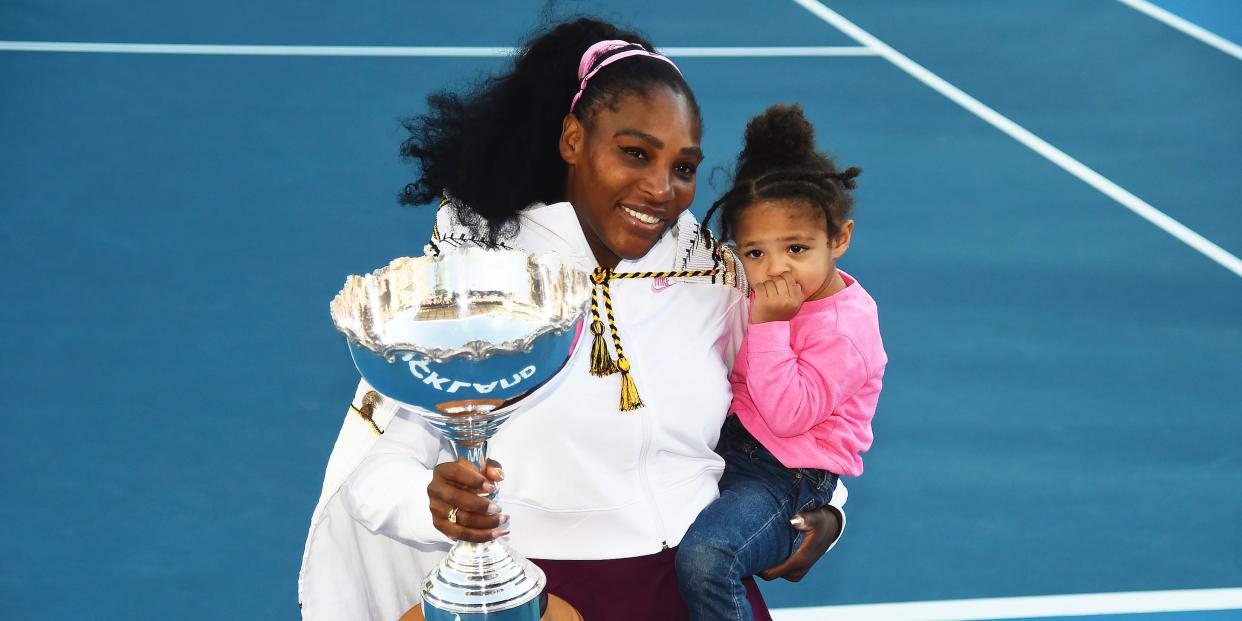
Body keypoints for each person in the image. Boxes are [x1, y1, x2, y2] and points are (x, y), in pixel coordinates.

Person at [299, 19, 847, 621]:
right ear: (572, 139)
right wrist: (434, 503)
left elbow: (800, 400)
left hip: (700, 588)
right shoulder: (479, 282)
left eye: (684, 167)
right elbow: (374, 467)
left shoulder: (715, 276)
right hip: (540, 597)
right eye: (634, 153)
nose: (661, 189)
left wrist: (827, 509)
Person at [674, 104, 887, 620]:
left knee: (708, 557)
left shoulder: (847, 329)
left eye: (796, 247)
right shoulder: (743, 289)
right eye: (755, 253)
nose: (774, 269)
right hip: (732, 445)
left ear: (840, 239)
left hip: (788, 475)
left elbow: (789, 414)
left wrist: (770, 325)